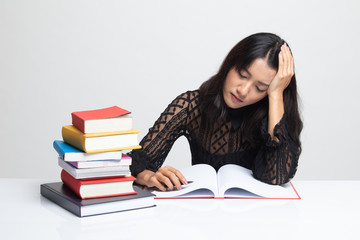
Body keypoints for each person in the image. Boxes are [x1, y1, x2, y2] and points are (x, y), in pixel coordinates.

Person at [129, 32, 303, 191]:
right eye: (242, 74)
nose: (243, 90)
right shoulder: (190, 105)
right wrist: (148, 176)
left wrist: (276, 95)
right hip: (201, 213)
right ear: (230, 64)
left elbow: (276, 176)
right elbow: (136, 160)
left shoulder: (272, 114)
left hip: (255, 217)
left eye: (260, 88)